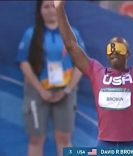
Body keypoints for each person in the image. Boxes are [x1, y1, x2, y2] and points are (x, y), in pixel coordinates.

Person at [54, 0, 133, 147]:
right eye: (110, 48)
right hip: (105, 144)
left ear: (128, 53)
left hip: (132, 145)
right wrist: (59, 8)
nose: (114, 51)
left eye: (119, 48)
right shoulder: (96, 71)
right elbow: (71, 45)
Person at [16, 1, 84, 156]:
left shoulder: (72, 34)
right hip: (37, 92)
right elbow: (23, 62)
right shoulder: (30, 34)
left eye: (53, 6)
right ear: (40, 10)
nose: (50, 10)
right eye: (45, 6)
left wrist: (67, 90)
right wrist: (40, 90)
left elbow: (81, 65)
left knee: (64, 137)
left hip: (65, 92)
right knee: (35, 138)